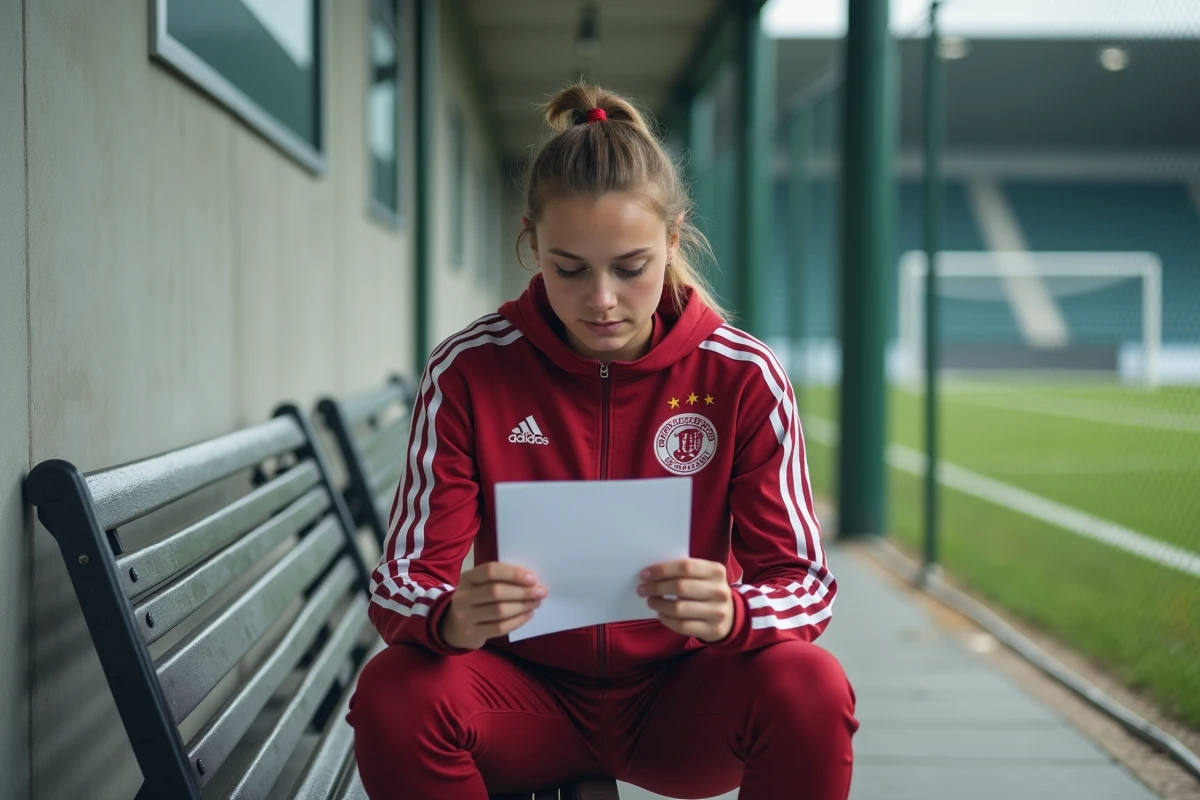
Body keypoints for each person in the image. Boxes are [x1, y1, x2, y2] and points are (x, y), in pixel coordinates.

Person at [348, 84, 858, 800]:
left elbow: (803, 582)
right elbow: (401, 578)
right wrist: (447, 616)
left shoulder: (743, 375)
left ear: (673, 241)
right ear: (531, 243)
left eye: (630, 266)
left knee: (811, 684)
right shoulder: (470, 369)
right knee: (394, 690)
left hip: (681, 703)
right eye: (569, 268)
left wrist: (736, 612)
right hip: (522, 702)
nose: (602, 299)